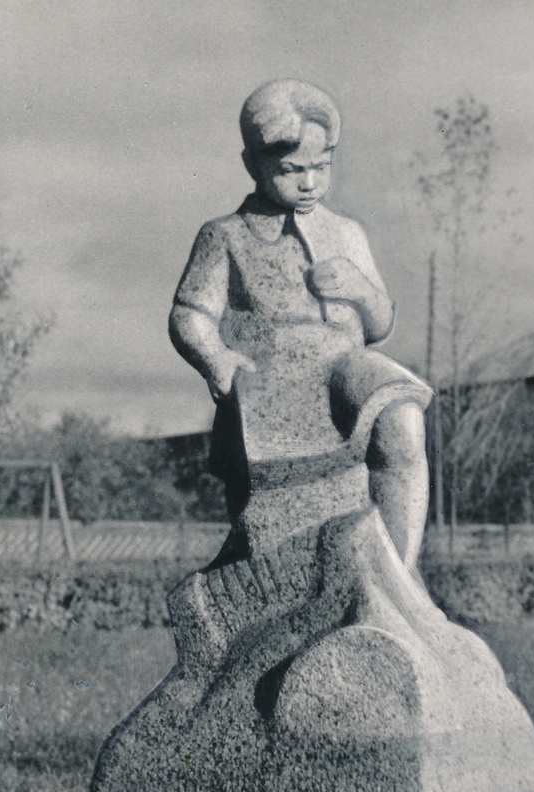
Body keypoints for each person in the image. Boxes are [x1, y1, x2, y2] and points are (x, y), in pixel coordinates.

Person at [169, 79, 430, 566]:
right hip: (272, 375)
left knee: (403, 420)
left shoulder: (346, 233)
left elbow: (379, 326)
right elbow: (190, 314)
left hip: (344, 368)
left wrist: (361, 290)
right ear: (253, 164)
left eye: (321, 167)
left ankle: (400, 576)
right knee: (272, 503)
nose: (310, 183)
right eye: (292, 170)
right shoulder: (225, 236)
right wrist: (215, 358)